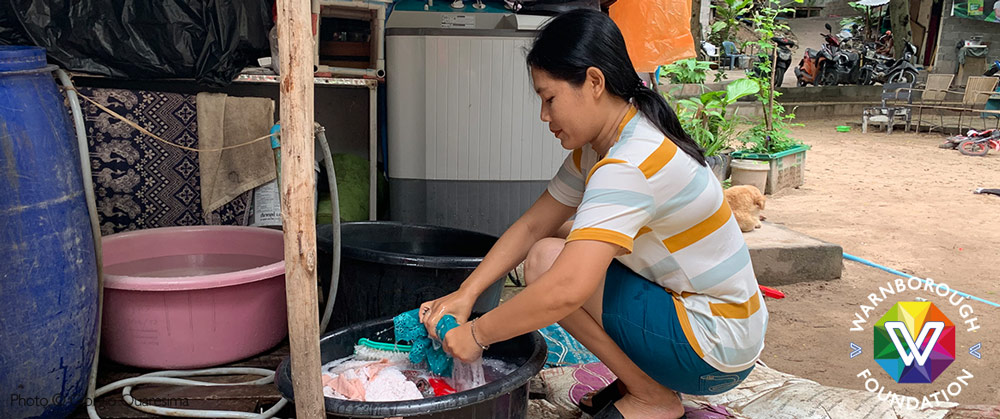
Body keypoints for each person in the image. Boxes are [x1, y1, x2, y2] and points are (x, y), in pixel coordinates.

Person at [419, 9, 767, 419]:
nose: (544, 116)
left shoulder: (628, 165)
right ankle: (640, 383)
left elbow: (565, 289)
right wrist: (466, 294)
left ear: (594, 82)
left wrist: (477, 334)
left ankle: (650, 396)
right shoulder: (607, 144)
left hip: (713, 346)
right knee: (553, 247)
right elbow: (533, 224)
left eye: (550, 98)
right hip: (720, 327)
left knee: (552, 265)